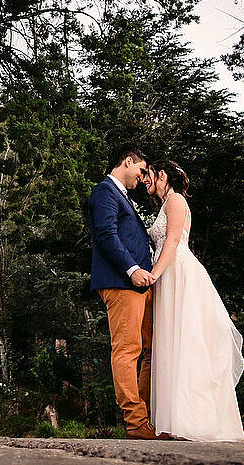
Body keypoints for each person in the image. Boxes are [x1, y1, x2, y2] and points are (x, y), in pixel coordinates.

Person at [142, 158, 244, 442]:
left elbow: (173, 241)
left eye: (150, 175)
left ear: (162, 175)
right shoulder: (165, 204)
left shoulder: (175, 201)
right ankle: (175, 421)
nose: (146, 180)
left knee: (187, 341)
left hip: (178, 272)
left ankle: (195, 420)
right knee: (172, 343)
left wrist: (153, 275)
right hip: (169, 274)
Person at [84, 145, 157, 439]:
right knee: (127, 351)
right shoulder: (104, 192)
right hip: (121, 283)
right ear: (127, 162)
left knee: (151, 350)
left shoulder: (122, 196)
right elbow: (106, 236)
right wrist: (132, 269)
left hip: (139, 285)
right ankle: (136, 423)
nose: (142, 178)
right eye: (140, 171)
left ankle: (149, 419)